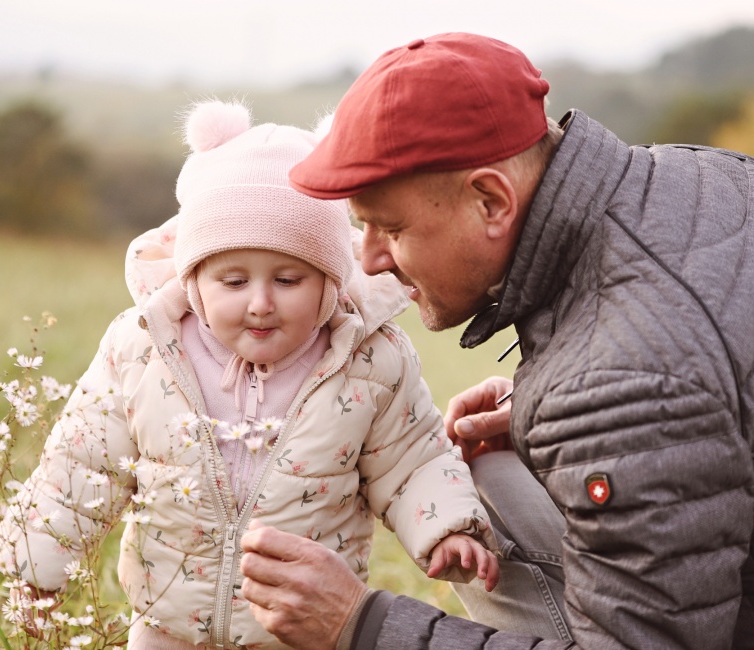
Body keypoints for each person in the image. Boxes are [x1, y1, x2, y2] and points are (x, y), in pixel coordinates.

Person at [238, 32, 754, 649]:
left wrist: (361, 625)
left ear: (491, 200)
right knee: (491, 466)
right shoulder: (694, 176)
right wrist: (561, 417)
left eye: (390, 228)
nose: (369, 260)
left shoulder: (617, 382)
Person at [0, 99, 501, 649]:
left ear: (331, 282)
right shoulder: (145, 347)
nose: (260, 304)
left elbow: (412, 457)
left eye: (288, 280)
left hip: (305, 628)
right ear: (193, 279)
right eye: (233, 282)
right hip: (167, 628)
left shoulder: (368, 361)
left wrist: (448, 526)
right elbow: (81, 463)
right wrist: (36, 569)